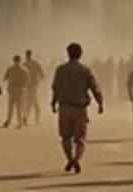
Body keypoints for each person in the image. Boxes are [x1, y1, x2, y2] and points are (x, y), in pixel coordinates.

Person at [51, 42, 104, 174]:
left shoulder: (60, 70)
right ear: (80, 54)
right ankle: (77, 158)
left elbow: (56, 88)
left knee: (65, 136)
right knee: (80, 138)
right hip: (80, 108)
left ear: (67, 54)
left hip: (64, 107)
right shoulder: (85, 70)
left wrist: (53, 102)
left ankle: (69, 158)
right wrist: (100, 102)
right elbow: (94, 87)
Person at [2, 54, 30, 128]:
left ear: (13, 60)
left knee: (10, 106)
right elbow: (27, 80)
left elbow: (5, 78)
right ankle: (20, 122)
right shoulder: (24, 69)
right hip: (20, 89)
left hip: (12, 89)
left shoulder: (10, 69)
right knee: (19, 106)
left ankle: (8, 121)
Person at [25, 49, 45, 125]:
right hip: (33, 86)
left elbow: (41, 74)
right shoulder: (36, 64)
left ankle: (27, 118)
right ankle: (35, 119)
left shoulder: (24, 64)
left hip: (28, 86)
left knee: (29, 102)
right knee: (32, 102)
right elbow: (42, 75)